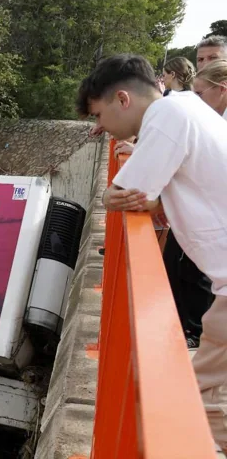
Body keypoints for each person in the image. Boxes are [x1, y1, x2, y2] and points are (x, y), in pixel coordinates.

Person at [77, 53, 227, 449]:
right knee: (207, 391)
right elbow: (148, 193)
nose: (100, 129)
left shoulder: (166, 118)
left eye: (98, 115)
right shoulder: (186, 105)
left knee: (202, 397)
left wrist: (115, 193)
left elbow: (123, 194)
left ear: (122, 99)